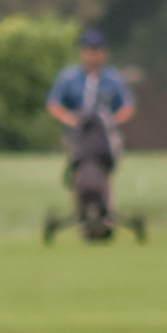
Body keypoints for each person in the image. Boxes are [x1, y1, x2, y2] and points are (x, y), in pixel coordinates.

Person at [46, 30, 136, 206]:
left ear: (104, 54)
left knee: (104, 166)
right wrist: (70, 119)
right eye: (88, 51)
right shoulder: (69, 77)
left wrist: (111, 122)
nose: (91, 56)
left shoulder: (114, 79)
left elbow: (128, 106)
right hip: (77, 133)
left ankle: (106, 207)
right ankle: (81, 208)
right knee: (79, 168)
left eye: (96, 51)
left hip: (105, 134)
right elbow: (54, 103)